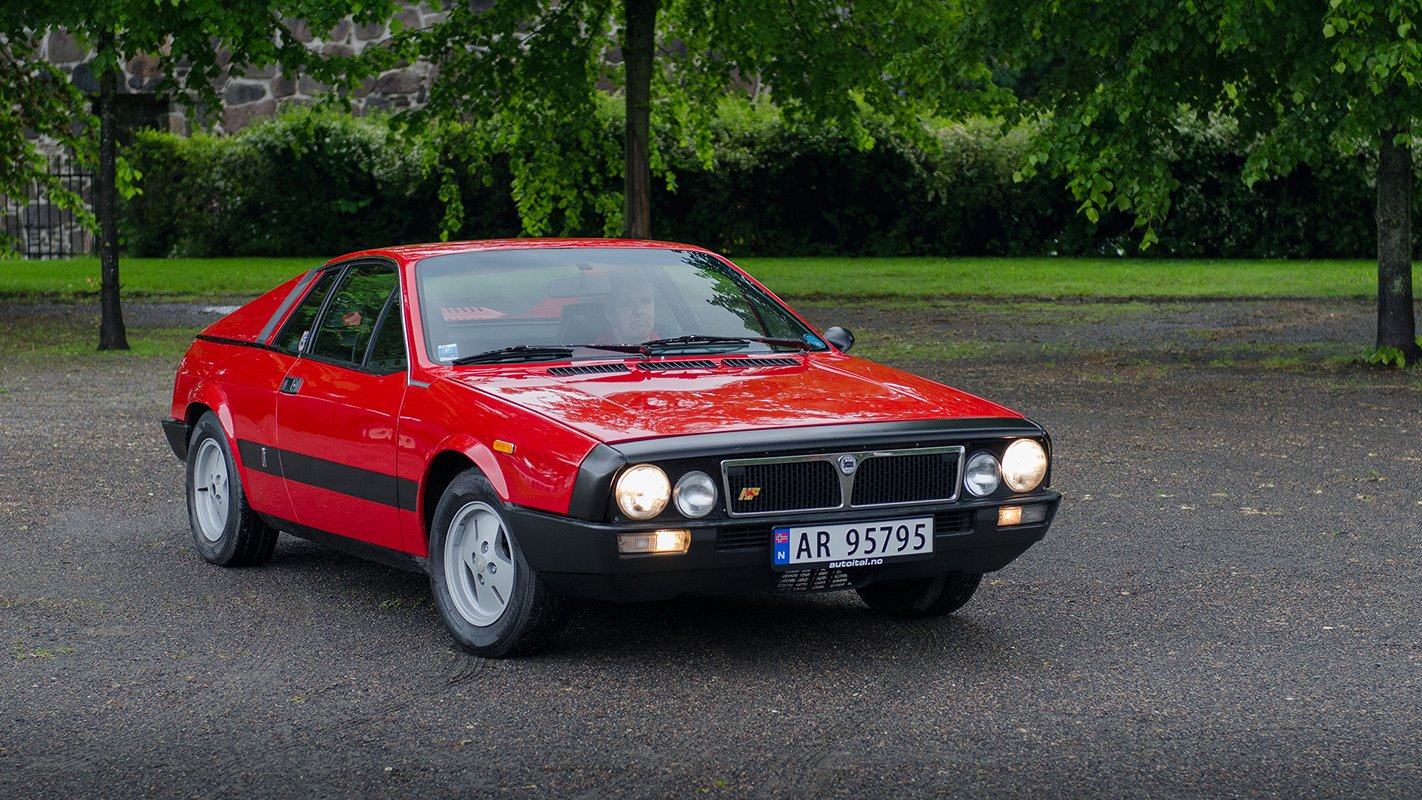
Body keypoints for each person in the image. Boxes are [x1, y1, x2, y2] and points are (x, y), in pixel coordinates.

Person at [603, 271, 656, 342]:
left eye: (645, 301)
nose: (639, 311)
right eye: (627, 304)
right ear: (609, 313)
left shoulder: (672, 347)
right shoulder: (589, 353)